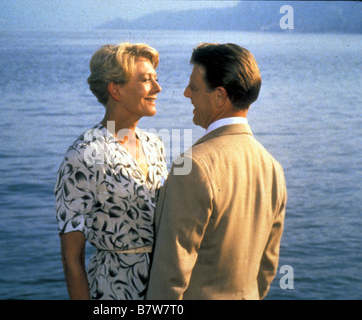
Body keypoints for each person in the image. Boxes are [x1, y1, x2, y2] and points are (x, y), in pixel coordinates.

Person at [146, 43, 287, 300]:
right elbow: (266, 269)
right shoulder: (273, 168)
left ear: (220, 97)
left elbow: (169, 276)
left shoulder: (193, 167)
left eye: (194, 87)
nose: (186, 93)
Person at [54, 42, 168, 300]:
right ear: (115, 90)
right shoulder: (83, 155)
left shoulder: (155, 144)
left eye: (156, 79)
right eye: (146, 80)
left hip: (166, 286)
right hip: (114, 290)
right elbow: (71, 259)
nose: (158, 88)